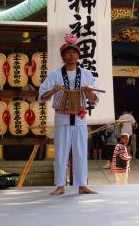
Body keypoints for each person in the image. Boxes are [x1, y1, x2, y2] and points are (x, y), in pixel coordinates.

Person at [39, 34, 99, 195]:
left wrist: (89, 92)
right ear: (62, 56)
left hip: (79, 117)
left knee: (80, 151)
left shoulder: (87, 74)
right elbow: (42, 96)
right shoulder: (55, 74)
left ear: (78, 55)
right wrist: (54, 90)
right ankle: (60, 185)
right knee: (61, 152)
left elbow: (94, 100)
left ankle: (82, 185)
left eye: (73, 52)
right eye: (67, 53)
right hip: (62, 117)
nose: (70, 55)